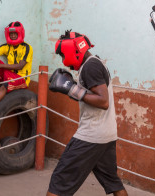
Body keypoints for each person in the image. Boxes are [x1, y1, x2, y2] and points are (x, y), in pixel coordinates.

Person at [47, 30, 128, 196]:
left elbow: (103, 101)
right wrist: (73, 90)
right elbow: (90, 97)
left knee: (59, 182)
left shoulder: (91, 66)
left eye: (63, 55)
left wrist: (72, 88)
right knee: (113, 182)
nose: (63, 61)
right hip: (106, 135)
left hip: (90, 136)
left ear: (72, 50)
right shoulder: (93, 63)